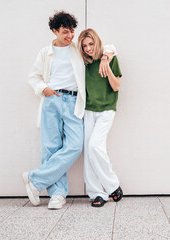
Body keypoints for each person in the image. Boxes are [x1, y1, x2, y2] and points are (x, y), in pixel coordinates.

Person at [24, 11, 115, 210]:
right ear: (55, 31)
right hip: (52, 99)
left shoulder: (77, 49)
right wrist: (43, 89)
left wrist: (107, 56)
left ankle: (34, 179)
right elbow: (34, 77)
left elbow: (106, 47)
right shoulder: (45, 52)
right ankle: (57, 195)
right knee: (51, 147)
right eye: (65, 32)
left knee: (75, 146)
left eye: (72, 31)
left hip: (74, 102)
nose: (70, 36)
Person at [78, 28, 123, 207]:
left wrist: (107, 65)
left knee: (95, 146)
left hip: (106, 110)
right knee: (89, 152)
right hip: (89, 110)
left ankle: (113, 185)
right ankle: (97, 193)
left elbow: (116, 86)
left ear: (96, 42)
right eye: (85, 46)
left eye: (91, 44)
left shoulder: (110, 57)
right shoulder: (84, 62)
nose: (88, 48)